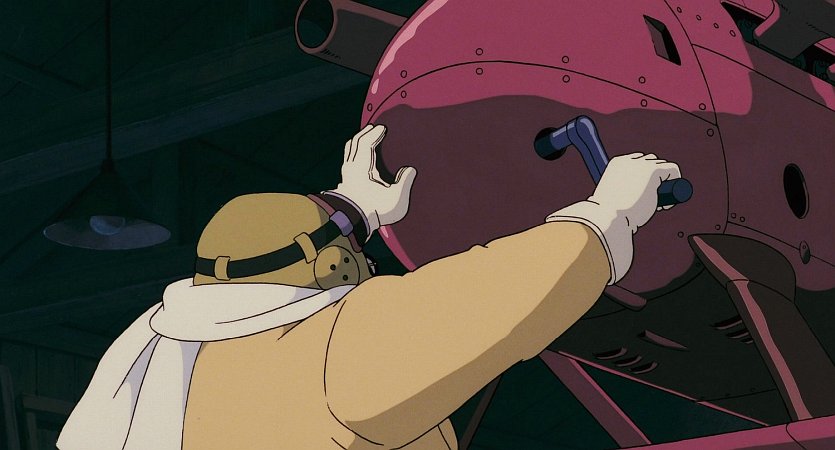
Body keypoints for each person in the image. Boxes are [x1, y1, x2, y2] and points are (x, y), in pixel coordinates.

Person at [58, 124, 681, 449]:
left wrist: (356, 206)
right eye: (350, 244)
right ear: (326, 265)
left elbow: (284, 252)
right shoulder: (329, 347)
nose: (360, 256)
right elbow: (496, 293)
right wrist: (608, 214)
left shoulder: (157, 347)